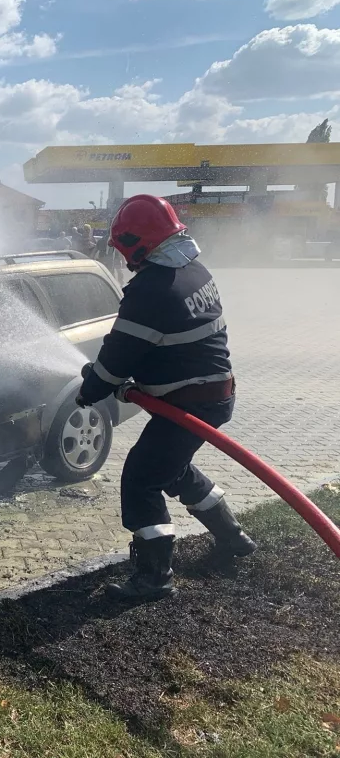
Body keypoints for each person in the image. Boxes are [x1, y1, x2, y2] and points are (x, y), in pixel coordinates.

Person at [76, 195, 255, 602]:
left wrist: (91, 391)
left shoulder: (151, 290)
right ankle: (234, 537)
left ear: (139, 243)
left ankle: (154, 578)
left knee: (140, 478)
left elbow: (116, 358)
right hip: (213, 394)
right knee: (170, 470)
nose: (124, 259)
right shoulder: (193, 271)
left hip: (189, 403)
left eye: (124, 249)